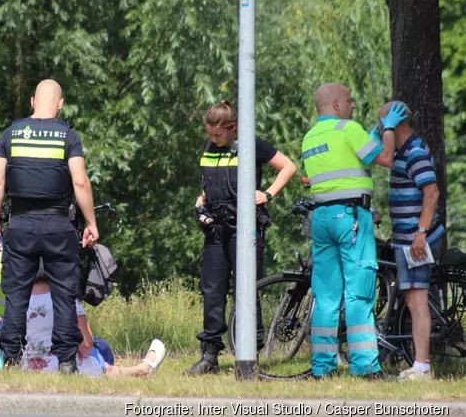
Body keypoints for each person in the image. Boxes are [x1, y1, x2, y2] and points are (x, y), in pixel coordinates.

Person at [0, 79, 99, 374]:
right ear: (60, 104)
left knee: (17, 295)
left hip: (21, 224)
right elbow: (80, 182)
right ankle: (66, 362)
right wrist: (90, 222)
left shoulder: (11, 134)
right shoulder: (68, 136)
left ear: (32, 101)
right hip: (59, 226)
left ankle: (10, 360)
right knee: (64, 294)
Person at [301, 83, 404, 380]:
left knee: (326, 295)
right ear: (336, 105)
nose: (353, 105)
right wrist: (388, 130)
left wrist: (371, 134)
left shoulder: (311, 137)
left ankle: (322, 368)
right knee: (359, 293)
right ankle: (366, 367)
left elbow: (346, 162)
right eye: (349, 100)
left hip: (321, 219)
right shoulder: (349, 128)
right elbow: (385, 159)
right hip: (351, 219)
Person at [186, 100, 297, 375]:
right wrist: (202, 200)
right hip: (215, 229)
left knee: (248, 290)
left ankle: (250, 354)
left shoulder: (251, 145)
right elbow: (210, 181)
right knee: (212, 291)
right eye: (210, 134)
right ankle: (209, 355)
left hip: (244, 228)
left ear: (233, 128)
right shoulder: (209, 147)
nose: (213, 139)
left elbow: (288, 167)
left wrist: (268, 194)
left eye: (218, 134)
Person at [374, 100, 445, 381]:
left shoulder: (414, 151)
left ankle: (422, 366)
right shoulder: (402, 150)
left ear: (396, 122)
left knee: (416, 301)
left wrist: (420, 233)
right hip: (406, 235)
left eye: (382, 121)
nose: (379, 126)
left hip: (417, 238)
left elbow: (432, 193)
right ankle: (418, 362)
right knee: (411, 298)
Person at [22, 270, 166, 377]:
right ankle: (142, 370)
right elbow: (86, 347)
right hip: (60, 369)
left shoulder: (17, 301)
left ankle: (141, 369)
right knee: (98, 354)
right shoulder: (68, 300)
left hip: (26, 368)